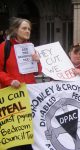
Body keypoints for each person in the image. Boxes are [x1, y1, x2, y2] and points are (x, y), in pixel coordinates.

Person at [0, 17, 41, 150]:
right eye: (24, 28)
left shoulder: (31, 47)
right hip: (13, 95)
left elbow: (37, 72)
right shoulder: (4, 47)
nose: (27, 31)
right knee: (16, 131)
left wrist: (37, 61)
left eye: (29, 28)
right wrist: (10, 80)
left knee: (30, 127)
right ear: (15, 30)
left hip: (29, 94)